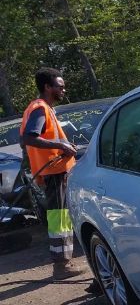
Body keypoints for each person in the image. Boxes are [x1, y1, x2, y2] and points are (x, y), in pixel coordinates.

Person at [20, 67, 84, 280]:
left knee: (63, 216)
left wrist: (63, 144)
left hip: (55, 170)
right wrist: (58, 144)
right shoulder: (39, 109)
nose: (63, 90)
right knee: (60, 217)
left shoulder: (39, 108)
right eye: (60, 86)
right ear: (48, 87)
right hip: (54, 172)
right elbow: (30, 137)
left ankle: (64, 262)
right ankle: (61, 265)